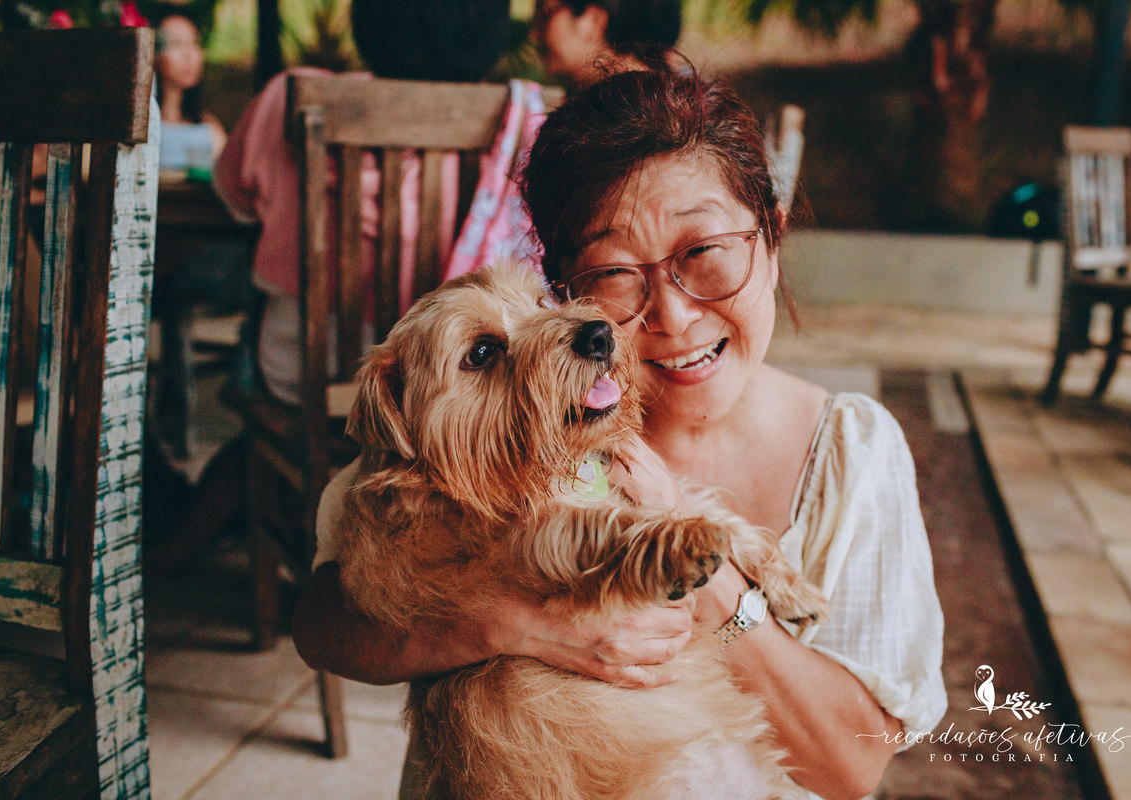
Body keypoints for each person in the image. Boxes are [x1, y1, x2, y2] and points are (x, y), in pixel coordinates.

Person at [295, 66, 946, 800]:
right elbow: (322, 624)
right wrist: (502, 623)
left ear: (771, 231)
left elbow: (851, 766)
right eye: (613, 272)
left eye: (702, 253)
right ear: (562, 291)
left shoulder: (855, 453)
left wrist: (710, 581)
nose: (670, 314)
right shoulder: (487, 443)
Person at [213, 0, 539, 406]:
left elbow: (235, 201)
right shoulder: (520, 120)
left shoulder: (289, 96)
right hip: (445, 396)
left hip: (299, 376)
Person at [530, 0, 681, 90]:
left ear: (594, 21)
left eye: (545, 13)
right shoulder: (652, 99)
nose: (534, 33)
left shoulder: (625, 115)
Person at [153, 10, 227, 173]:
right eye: (176, 43)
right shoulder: (135, 131)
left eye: (194, 43)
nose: (189, 54)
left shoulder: (211, 131)